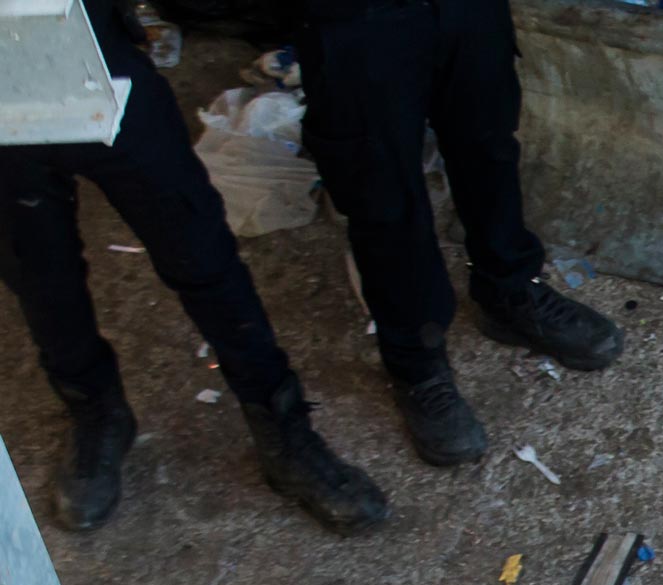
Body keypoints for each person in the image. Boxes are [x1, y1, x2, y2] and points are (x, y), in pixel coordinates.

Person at [0, 0, 386, 533]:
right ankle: (97, 412)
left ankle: (284, 431)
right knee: (40, 275)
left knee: (198, 249)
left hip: (94, 60)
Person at [294, 0, 620, 464]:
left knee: (488, 143)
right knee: (380, 188)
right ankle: (415, 359)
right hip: (358, 19)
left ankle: (507, 289)